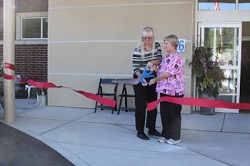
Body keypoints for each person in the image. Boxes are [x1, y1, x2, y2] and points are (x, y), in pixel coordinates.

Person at [149, 34, 185, 145]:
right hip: (164, 90)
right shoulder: (165, 58)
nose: (164, 45)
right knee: (164, 113)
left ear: (173, 45)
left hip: (175, 91)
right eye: (164, 43)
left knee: (173, 114)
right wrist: (155, 69)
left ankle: (175, 137)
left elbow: (167, 74)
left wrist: (154, 80)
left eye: (167, 43)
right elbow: (161, 72)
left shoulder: (177, 58)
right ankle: (166, 134)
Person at [132, 27, 162, 140]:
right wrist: (141, 78)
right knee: (140, 105)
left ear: (153, 37)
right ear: (142, 38)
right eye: (145, 38)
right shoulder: (137, 49)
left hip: (152, 78)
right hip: (140, 77)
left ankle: (151, 128)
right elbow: (135, 68)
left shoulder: (157, 46)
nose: (147, 40)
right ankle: (140, 131)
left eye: (149, 38)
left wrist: (151, 62)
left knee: (152, 105)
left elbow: (160, 59)